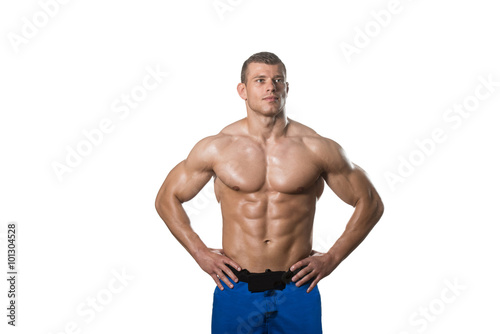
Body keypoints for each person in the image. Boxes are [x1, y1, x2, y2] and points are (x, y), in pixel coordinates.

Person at [155, 51, 384, 333]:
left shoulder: (316, 147)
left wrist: (332, 258)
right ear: (243, 90)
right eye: (260, 80)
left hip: (297, 288)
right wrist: (200, 252)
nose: (270, 87)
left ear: (287, 88)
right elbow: (167, 197)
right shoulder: (217, 147)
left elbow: (370, 203)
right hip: (235, 287)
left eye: (278, 80)